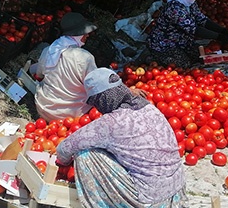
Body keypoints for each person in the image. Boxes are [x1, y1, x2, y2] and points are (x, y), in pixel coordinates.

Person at [56, 68, 187, 208]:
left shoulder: (110, 123)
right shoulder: (148, 107)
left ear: (101, 100)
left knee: (84, 154)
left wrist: (63, 162)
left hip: (151, 198)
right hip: (177, 189)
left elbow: (64, 148)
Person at [147, 0, 228, 68]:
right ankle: (153, 57)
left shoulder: (190, 3)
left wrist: (222, 30)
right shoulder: (174, 9)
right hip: (164, 45)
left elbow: (202, 19)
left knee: (201, 56)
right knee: (183, 64)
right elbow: (194, 29)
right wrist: (219, 36)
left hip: (182, 42)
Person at [33, 12, 98, 121]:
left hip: (43, 108)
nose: (87, 35)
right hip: (71, 116)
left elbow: (39, 75)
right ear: (79, 34)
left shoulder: (49, 50)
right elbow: (96, 87)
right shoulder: (85, 58)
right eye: (85, 33)